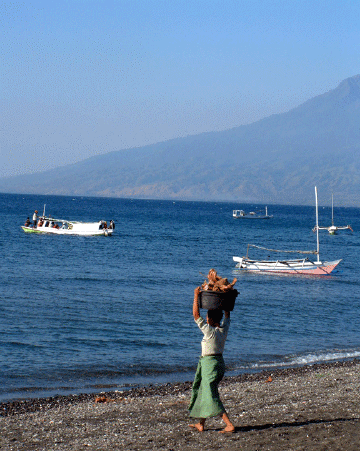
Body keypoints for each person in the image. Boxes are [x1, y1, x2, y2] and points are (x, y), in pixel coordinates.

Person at [188, 286, 235, 433]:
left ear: (208, 319)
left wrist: (196, 296)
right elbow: (227, 316)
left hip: (210, 365)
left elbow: (196, 315)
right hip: (216, 364)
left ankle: (229, 424)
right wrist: (225, 301)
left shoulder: (209, 332)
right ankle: (201, 424)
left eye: (207, 317)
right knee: (204, 391)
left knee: (211, 394)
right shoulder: (223, 330)